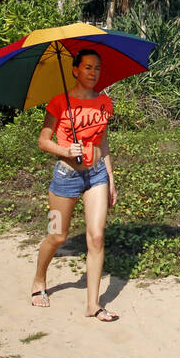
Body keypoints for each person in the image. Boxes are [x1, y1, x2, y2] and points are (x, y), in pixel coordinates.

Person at [29, 48, 119, 321]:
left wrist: (111, 179)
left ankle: (93, 304)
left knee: (96, 236)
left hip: (96, 176)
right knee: (57, 235)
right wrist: (65, 151)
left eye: (97, 68)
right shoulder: (58, 103)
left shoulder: (105, 102)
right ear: (75, 70)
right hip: (65, 177)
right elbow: (43, 141)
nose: (93, 73)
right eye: (88, 67)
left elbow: (102, 143)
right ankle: (39, 280)